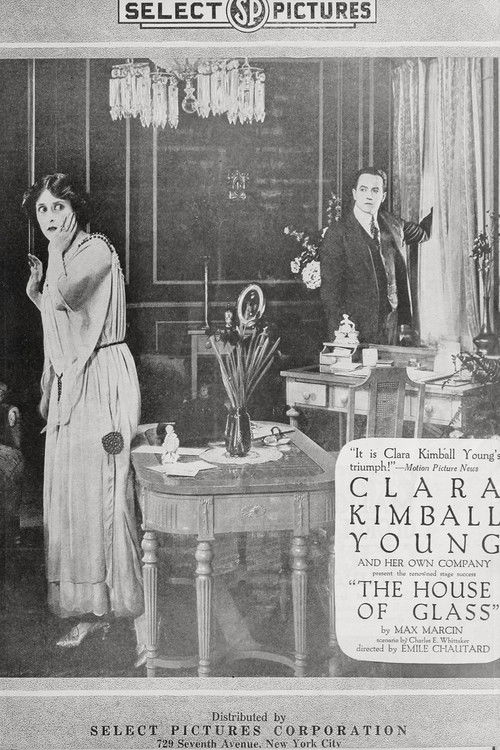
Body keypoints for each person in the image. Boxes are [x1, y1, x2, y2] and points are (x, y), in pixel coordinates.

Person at [23, 173, 145, 655]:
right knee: (74, 493)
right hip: (75, 381)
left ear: (77, 209)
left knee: (104, 488)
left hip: (104, 379)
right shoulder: (67, 255)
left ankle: (122, 608)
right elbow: (60, 316)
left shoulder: (94, 250)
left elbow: (70, 297)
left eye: (59, 207)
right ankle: (89, 609)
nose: (50, 218)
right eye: (43, 210)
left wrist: (51, 264)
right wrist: (37, 295)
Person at [320, 167, 432, 345]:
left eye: (375, 190)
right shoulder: (337, 233)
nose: (369, 196)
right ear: (355, 194)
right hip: (355, 331)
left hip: (391, 328)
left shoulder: (394, 225)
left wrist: (441, 206)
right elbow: (331, 294)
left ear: (383, 196)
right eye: (363, 189)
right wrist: (340, 340)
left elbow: (424, 233)